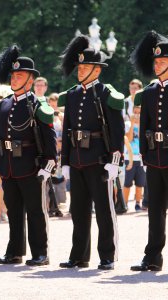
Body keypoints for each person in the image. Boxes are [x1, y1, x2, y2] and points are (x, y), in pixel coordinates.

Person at [58, 35, 124, 270]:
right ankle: (79, 255)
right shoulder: (73, 94)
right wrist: (64, 161)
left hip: (99, 161)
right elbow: (67, 130)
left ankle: (107, 255)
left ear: (96, 70)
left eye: (85, 67)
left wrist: (115, 160)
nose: (80, 71)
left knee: (104, 211)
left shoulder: (107, 94)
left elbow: (116, 130)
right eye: (79, 67)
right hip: (77, 160)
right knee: (78, 211)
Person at [0, 45, 56, 266]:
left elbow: (48, 136)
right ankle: (14, 251)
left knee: (36, 212)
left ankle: (40, 253)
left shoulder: (38, 105)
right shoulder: (4, 104)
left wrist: (49, 164)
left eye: (20, 76)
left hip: (30, 165)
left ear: (30, 80)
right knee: (14, 211)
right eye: (13, 75)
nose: (15, 79)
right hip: (8, 164)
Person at [130, 31, 168, 272]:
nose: (157, 65)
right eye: (156, 62)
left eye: (162, 61)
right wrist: (144, 155)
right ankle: (152, 257)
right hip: (154, 158)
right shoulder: (150, 92)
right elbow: (145, 125)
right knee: (154, 210)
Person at [123, 106, 146, 211]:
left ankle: (138, 203)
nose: (137, 114)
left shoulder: (144, 124)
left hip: (140, 158)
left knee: (140, 183)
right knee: (127, 183)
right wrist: (132, 124)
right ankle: (125, 203)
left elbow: (143, 139)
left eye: (139, 112)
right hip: (129, 158)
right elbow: (129, 138)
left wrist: (140, 124)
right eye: (135, 112)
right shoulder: (127, 124)